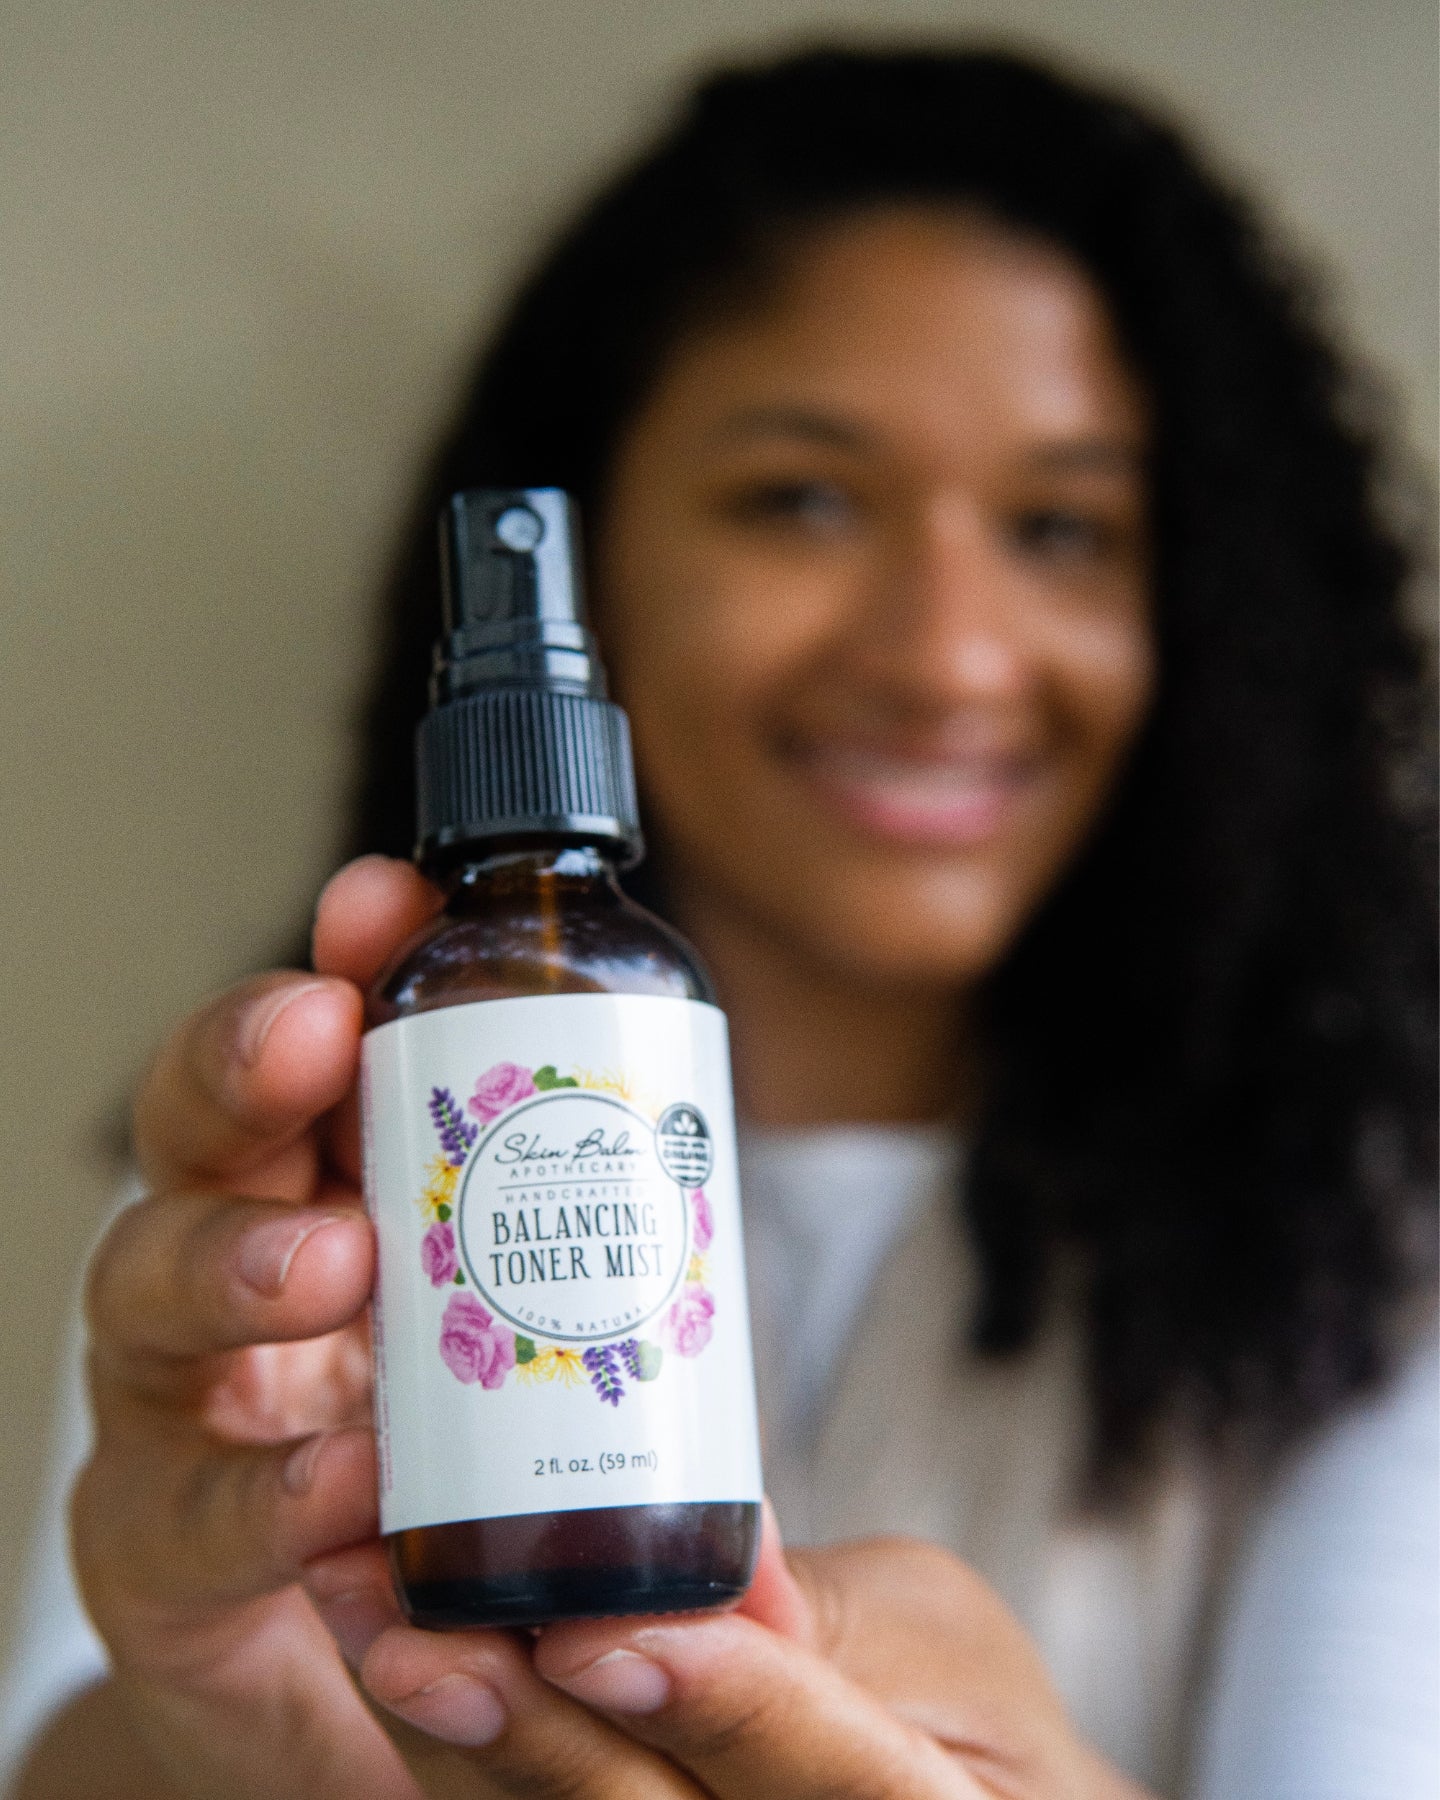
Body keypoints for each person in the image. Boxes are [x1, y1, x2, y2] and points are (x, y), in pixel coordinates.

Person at [3, 44, 1435, 1800]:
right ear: (594, 581)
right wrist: (211, 1715)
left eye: (1064, 526)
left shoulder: (1377, 1224)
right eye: (804, 498)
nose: (947, 654)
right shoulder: (321, 1176)